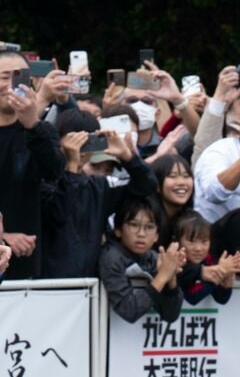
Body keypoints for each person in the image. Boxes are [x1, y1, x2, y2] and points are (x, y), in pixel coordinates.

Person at [99, 196, 185, 377]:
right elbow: (130, 310)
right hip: (105, 352)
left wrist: (171, 279)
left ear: (158, 234)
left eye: (149, 227)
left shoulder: (152, 257)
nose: (141, 233)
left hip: (140, 355)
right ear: (119, 229)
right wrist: (162, 277)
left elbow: (172, 314)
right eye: (133, 225)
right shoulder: (111, 257)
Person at [42, 113, 157, 279]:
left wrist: (127, 157)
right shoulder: (43, 182)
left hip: (90, 285)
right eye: (73, 141)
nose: (80, 149)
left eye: (87, 142)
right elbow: (58, 213)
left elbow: (147, 186)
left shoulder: (99, 187)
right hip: (46, 285)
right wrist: (71, 166)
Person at [0, 51, 65, 280]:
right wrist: (4, 236)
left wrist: (31, 124)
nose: (10, 85)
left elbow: (54, 171)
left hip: (27, 259)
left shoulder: (41, 130)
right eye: (4, 76)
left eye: (18, 77)